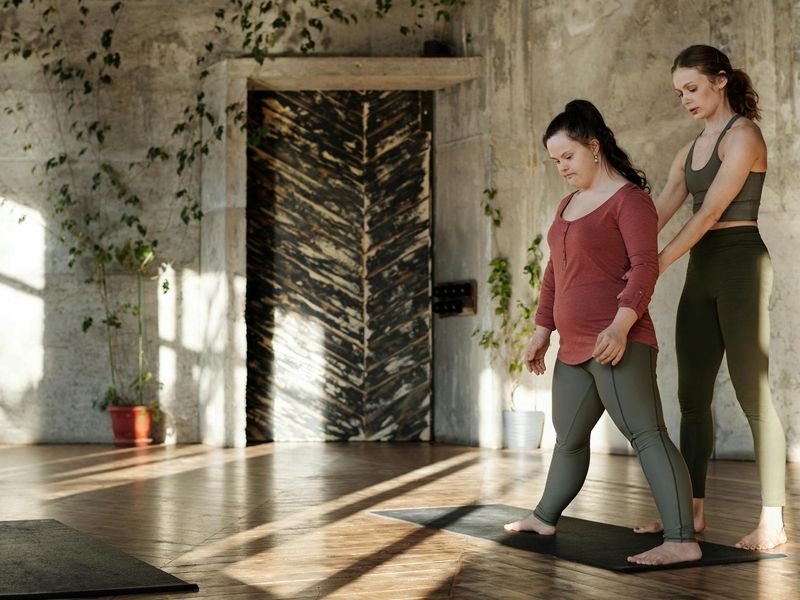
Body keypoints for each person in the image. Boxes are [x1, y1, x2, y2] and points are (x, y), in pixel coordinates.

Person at [504, 99, 701, 566]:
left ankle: (681, 539)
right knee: (568, 438)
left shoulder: (630, 201)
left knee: (647, 434)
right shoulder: (568, 204)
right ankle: (544, 516)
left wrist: (620, 324)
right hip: (573, 347)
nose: (562, 168)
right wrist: (542, 330)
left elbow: (645, 267)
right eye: (555, 161)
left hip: (618, 342)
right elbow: (555, 271)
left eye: (568, 156)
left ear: (594, 147)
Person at [633, 45, 787, 551]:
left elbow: (708, 214)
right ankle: (691, 512)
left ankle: (773, 521)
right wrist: (623, 256)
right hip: (701, 270)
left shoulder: (744, 136)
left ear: (720, 80)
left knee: (753, 396)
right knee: (691, 398)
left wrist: (654, 267)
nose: (685, 99)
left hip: (741, 265)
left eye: (692, 88)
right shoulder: (689, 150)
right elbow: (657, 214)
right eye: (679, 92)